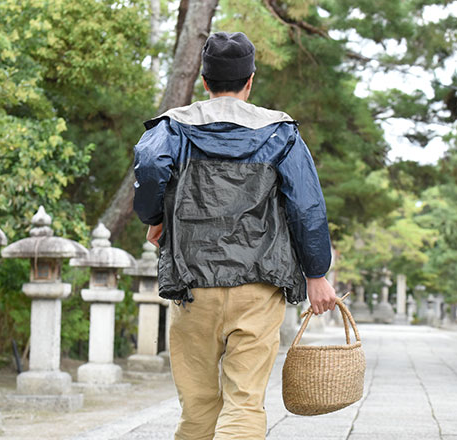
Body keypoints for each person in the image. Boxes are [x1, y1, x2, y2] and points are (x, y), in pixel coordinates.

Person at [133, 31, 336, 440]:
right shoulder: (281, 133)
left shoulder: (174, 128)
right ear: (251, 79)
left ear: (204, 81)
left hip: (193, 285)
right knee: (244, 404)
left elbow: (150, 165)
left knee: (198, 407)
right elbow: (307, 207)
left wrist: (157, 215)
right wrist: (317, 273)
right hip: (259, 288)